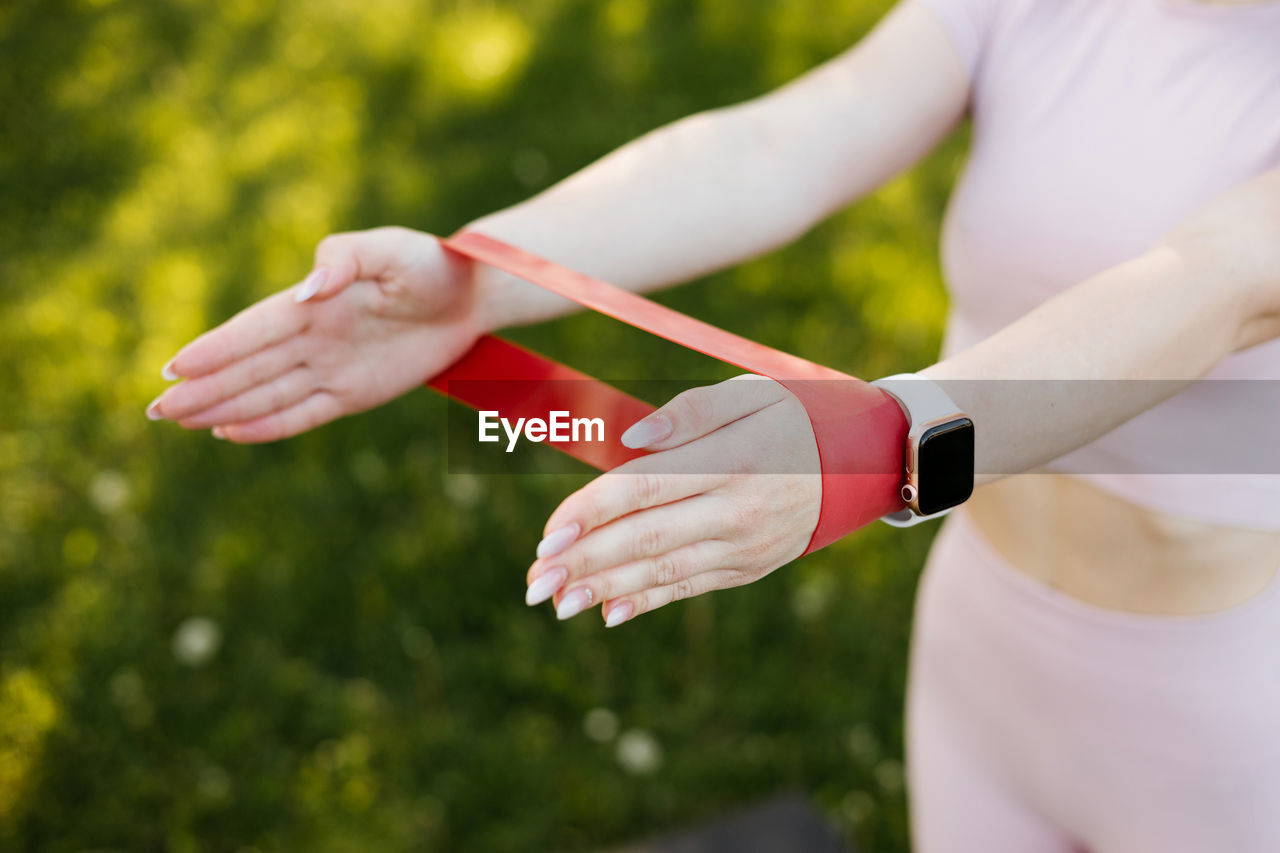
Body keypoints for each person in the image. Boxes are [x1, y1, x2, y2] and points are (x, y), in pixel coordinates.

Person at [146, 0, 1280, 848]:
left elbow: (1209, 284)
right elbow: (783, 140)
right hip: (983, 646)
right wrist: (477, 279)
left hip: (1225, 725)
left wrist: (879, 441)